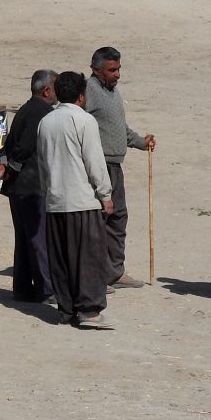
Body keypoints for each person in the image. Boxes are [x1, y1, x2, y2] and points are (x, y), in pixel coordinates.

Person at [37, 71, 114, 329]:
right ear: (81, 96)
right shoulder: (84, 120)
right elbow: (95, 162)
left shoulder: (46, 122)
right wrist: (105, 194)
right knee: (88, 257)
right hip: (82, 201)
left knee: (61, 259)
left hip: (55, 201)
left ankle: (66, 309)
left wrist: (47, 192)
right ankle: (89, 310)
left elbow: (42, 163)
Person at [84, 46, 155, 290]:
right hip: (98, 167)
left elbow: (119, 127)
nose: (117, 74)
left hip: (115, 167)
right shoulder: (88, 91)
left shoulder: (113, 92)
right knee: (97, 221)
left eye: (118, 69)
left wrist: (140, 142)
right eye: (111, 70)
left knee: (118, 219)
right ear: (96, 70)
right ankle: (94, 275)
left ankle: (114, 272)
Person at [0, 69, 58, 303]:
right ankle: (46, 289)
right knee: (38, 238)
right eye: (56, 87)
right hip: (31, 186)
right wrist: (11, 168)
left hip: (18, 187)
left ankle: (22, 289)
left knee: (24, 238)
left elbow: (7, 145)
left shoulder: (26, 109)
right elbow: (23, 148)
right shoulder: (41, 113)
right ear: (47, 90)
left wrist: (7, 168)